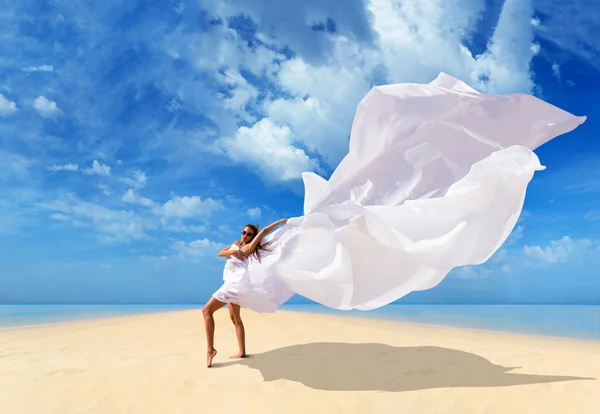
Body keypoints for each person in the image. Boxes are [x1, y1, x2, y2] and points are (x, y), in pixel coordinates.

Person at [202, 219, 288, 367]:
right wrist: (233, 251)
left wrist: (281, 222)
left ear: (252, 237)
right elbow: (220, 253)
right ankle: (242, 351)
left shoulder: (249, 247)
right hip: (232, 283)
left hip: (234, 284)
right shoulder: (236, 244)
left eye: (248, 234)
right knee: (235, 318)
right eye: (243, 232)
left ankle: (210, 350)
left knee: (206, 311)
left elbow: (265, 231)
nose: (244, 235)